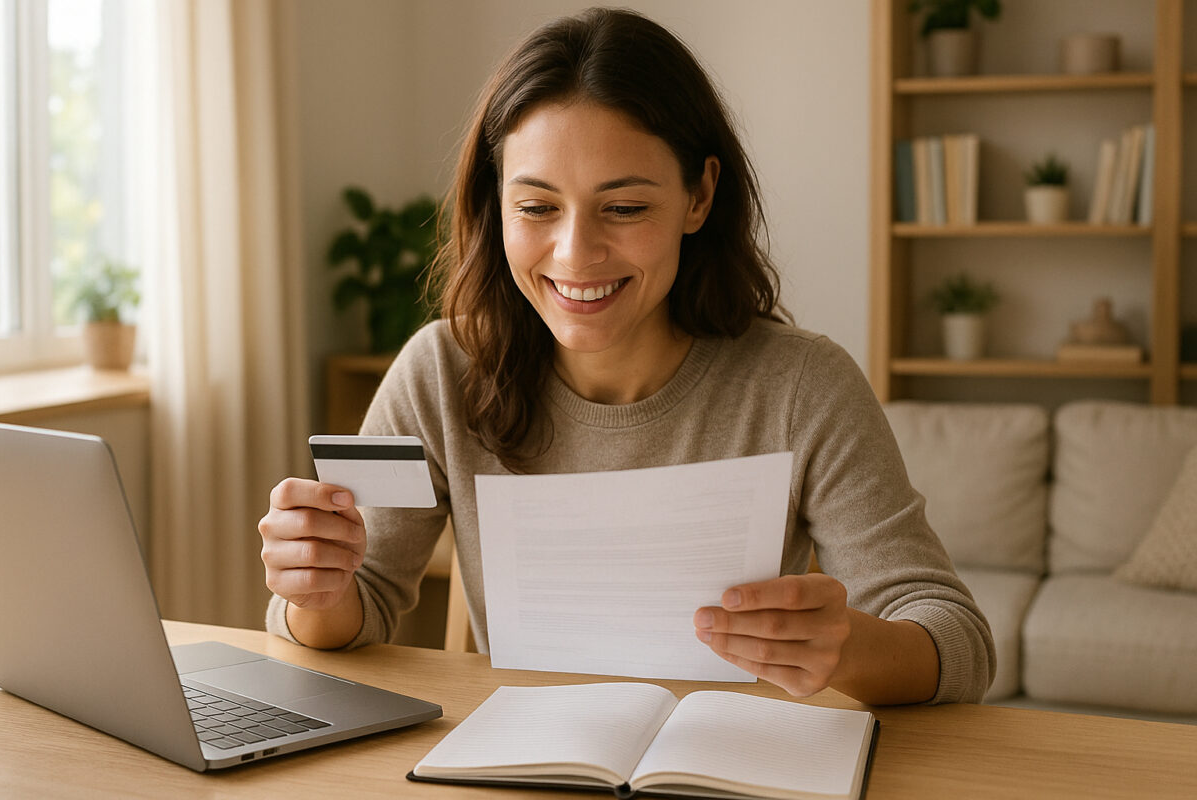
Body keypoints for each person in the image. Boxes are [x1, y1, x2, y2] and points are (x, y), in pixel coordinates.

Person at [259, 7, 995, 705]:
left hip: (729, 765)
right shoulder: (440, 374)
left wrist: (852, 650)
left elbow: (958, 641)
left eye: (625, 207)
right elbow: (360, 610)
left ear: (699, 197)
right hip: (523, 762)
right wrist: (313, 594)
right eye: (537, 207)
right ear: (496, 204)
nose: (575, 254)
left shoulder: (802, 385)